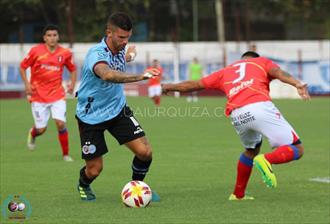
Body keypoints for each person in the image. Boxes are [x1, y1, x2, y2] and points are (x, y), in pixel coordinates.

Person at [162, 51, 310, 200]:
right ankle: (267, 160)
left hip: (237, 114)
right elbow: (278, 72)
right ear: (255, 58)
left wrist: (171, 86)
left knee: (251, 150)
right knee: (298, 148)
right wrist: (297, 83)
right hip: (259, 106)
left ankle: (238, 194)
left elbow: (196, 84)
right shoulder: (260, 62)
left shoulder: (226, 71)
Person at [75, 12, 160, 201]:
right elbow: (107, 75)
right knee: (95, 170)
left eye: (128, 37)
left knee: (145, 152)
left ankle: (137, 188)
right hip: (91, 116)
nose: (125, 41)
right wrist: (141, 76)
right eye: (121, 37)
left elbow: (125, 56)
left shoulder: (121, 47)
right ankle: (83, 184)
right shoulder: (96, 54)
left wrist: (130, 54)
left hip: (117, 110)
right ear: (109, 33)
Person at [19, 24, 77, 162]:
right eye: (49, 35)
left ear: (58, 37)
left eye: (54, 35)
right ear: (44, 38)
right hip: (38, 95)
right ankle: (33, 133)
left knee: (60, 124)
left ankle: (66, 155)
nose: (52, 38)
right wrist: (27, 84)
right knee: (41, 129)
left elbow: (73, 69)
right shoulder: (35, 51)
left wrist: (72, 85)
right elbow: (22, 67)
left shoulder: (65, 53)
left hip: (57, 94)